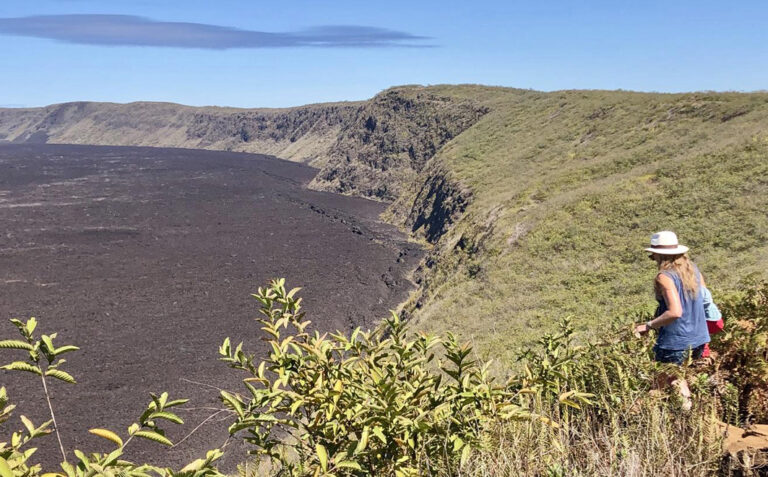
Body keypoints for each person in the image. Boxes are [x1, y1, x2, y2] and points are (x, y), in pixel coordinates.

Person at [634, 231, 710, 409]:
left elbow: (675, 312)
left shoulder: (664, 277)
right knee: (674, 379)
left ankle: (679, 421)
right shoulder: (693, 270)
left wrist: (648, 325)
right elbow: (706, 299)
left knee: (668, 382)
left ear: (659, 254)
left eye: (653, 255)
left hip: (675, 342)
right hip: (699, 337)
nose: (652, 258)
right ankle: (684, 418)